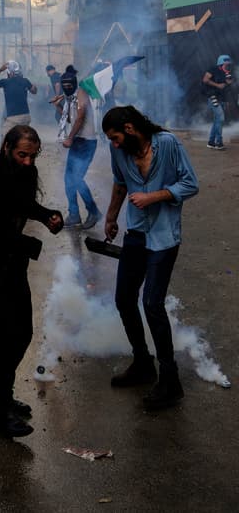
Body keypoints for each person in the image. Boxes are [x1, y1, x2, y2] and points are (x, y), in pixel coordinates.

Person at [0, 125, 63, 437]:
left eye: (33, 156)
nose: (28, 162)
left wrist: (48, 215)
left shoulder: (27, 172)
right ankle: (1, 410)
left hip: (12, 265)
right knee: (8, 334)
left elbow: (24, 205)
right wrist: (29, 245)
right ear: (6, 147)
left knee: (23, 334)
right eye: (22, 155)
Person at [102, 106, 199, 410]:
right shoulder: (118, 151)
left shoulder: (167, 144)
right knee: (124, 299)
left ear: (130, 128)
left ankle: (170, 381)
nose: (113, 144)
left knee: (152, 304)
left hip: (164, 236)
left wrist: (154, 196)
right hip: (136, 233)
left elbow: (190, 183)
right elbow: (120, 182)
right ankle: (143, 363)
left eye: (116, 137)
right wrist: (111, 216)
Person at [53, 66, 101, 229]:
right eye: (64, 85)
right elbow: (70, 120)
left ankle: (94, 211)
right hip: (78, 142)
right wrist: (58, 107)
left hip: (86, 142)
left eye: (69, 85)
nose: (66, 87)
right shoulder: (70, 99)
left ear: (73, 83)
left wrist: (69, 138)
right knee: (69, 179)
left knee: (77, 179)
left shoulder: (81, 93)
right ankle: (74, 214)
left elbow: (80, 117)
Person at [0, 60, 37, 136]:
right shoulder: (25, 81)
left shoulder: (5, 82)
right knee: (21, 137)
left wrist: (0, 70)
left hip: (14, 118)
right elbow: (34, 91)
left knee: (6, 138)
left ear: (10, 73)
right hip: (26, 116)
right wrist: (32, 84)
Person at [201, 54, 233, 150]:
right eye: (226, 63)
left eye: (228, 64)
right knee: (221, 118)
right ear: (221, 63)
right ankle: (219, 143)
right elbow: (205, 80)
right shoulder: (213, 69)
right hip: (213, 97)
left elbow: (226, 86)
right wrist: (217, 85)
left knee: (217, 121)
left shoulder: (226, 72)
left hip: (221, 98)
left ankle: (211, 142)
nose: (227, 65)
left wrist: (226, 101)